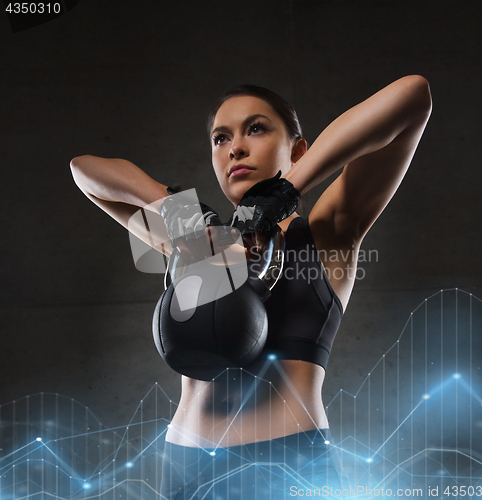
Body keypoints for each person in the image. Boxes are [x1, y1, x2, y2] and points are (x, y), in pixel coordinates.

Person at [70, 76, 432, 498]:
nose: (235, 148)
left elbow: (412, 96)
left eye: (255, 129)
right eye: (220, 138)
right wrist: (177, 211)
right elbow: (84, 171)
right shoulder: (192, 246)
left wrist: (288, 189)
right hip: (184, 468)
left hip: (287, 468)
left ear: (297, 149)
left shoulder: (327, 234)